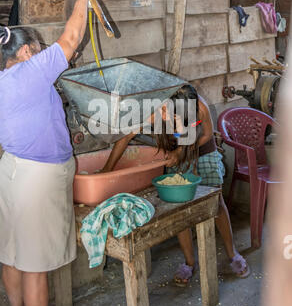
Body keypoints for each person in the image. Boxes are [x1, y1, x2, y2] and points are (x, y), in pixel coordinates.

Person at [0, 0, 94, 306]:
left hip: (13, 171)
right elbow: (70, 39)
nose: (42, 53)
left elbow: (36, 119)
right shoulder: (31, 72)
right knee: (34, 265)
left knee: (12, 254)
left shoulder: (1, 81)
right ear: (24, 53)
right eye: (37, 48)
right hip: (37, 179)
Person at [101, 84, 250, 284]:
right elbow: (126, 136)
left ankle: (233, 254)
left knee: (216, 203)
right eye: (164, 111)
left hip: (203, 153)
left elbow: (205, 134)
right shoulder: (154, 110)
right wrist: (106, 170)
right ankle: (189, 262)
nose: (164, 116)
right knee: (178, 209)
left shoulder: (199, 107)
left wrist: (182, 151)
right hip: (175, 157)